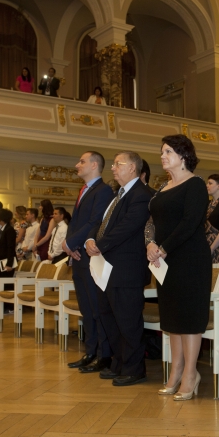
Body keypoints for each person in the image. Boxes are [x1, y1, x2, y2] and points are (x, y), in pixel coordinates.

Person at [146, 134, 210, 400]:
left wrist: (162, 247)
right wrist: (150, 243)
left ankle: (190, 374)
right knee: (172, 320)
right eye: (162, 152)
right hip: (164, 261)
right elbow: (151, 221)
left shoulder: (195, 184)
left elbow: (190, 222)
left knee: (189, 320)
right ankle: (176, 372)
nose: (163, 156)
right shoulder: (163, 187)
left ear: (183, 155)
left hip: (189, 259)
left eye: (168, 151)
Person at [85, 151, 153, 386]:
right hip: (108, 268)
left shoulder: (142, 195)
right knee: (109, 318)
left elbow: (127, 227)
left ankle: (135, 368)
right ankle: (119, 363)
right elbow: (101, 223)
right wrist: (90, 240)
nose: (113, 168)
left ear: (133, 168)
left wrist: (99, 245)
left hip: (127, 269)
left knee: (128, 320)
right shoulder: (118, 195)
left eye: (118, 164)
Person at [63, 152, 116, 371]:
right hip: (78, 256)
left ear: (94, 165)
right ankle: (91, 351)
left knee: (97, 308)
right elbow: (77, 223)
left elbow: (96, 222)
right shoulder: (84, 190)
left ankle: (104, 355)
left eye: (82, 161)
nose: (77, 164)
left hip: (91, 256)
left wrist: (70, 243)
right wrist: (71, 246)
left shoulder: (103, 190)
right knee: (86, 308)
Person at [0, 208, 17, 314]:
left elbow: (11, 247)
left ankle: (8, 307)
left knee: (6, 284)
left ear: (1, 218)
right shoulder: (3, 229)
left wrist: (9, 264)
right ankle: (0, 306)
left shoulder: (9, 230)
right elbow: (2, 246)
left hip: (7, 262)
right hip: (1, 260)